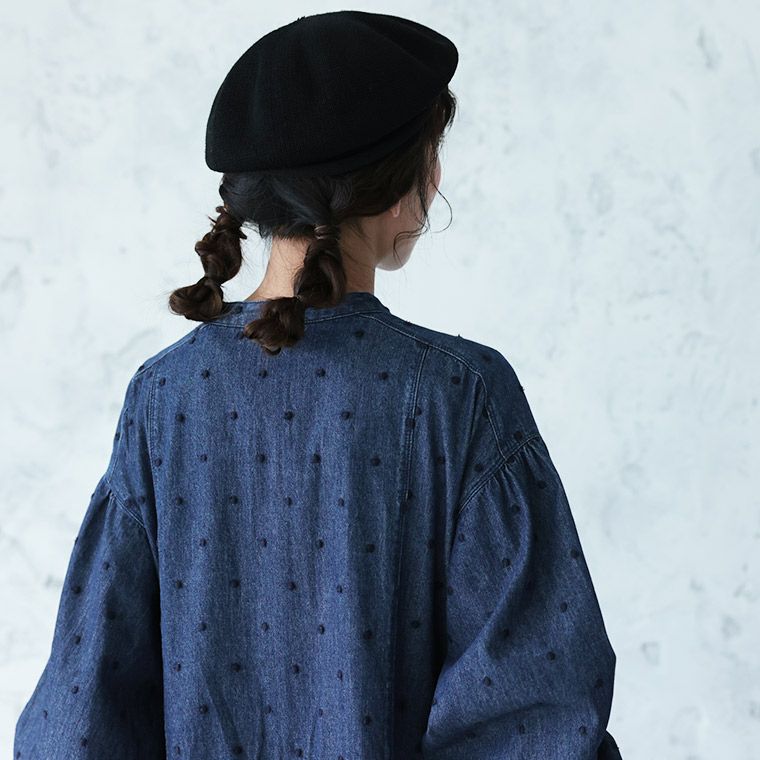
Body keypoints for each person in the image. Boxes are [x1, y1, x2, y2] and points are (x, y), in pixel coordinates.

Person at [13, 10, 623, 759]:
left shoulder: (164, 397)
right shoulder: (459, 396)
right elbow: (536, 713)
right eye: (432, 155)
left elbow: (82, 712)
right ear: (398, 185)